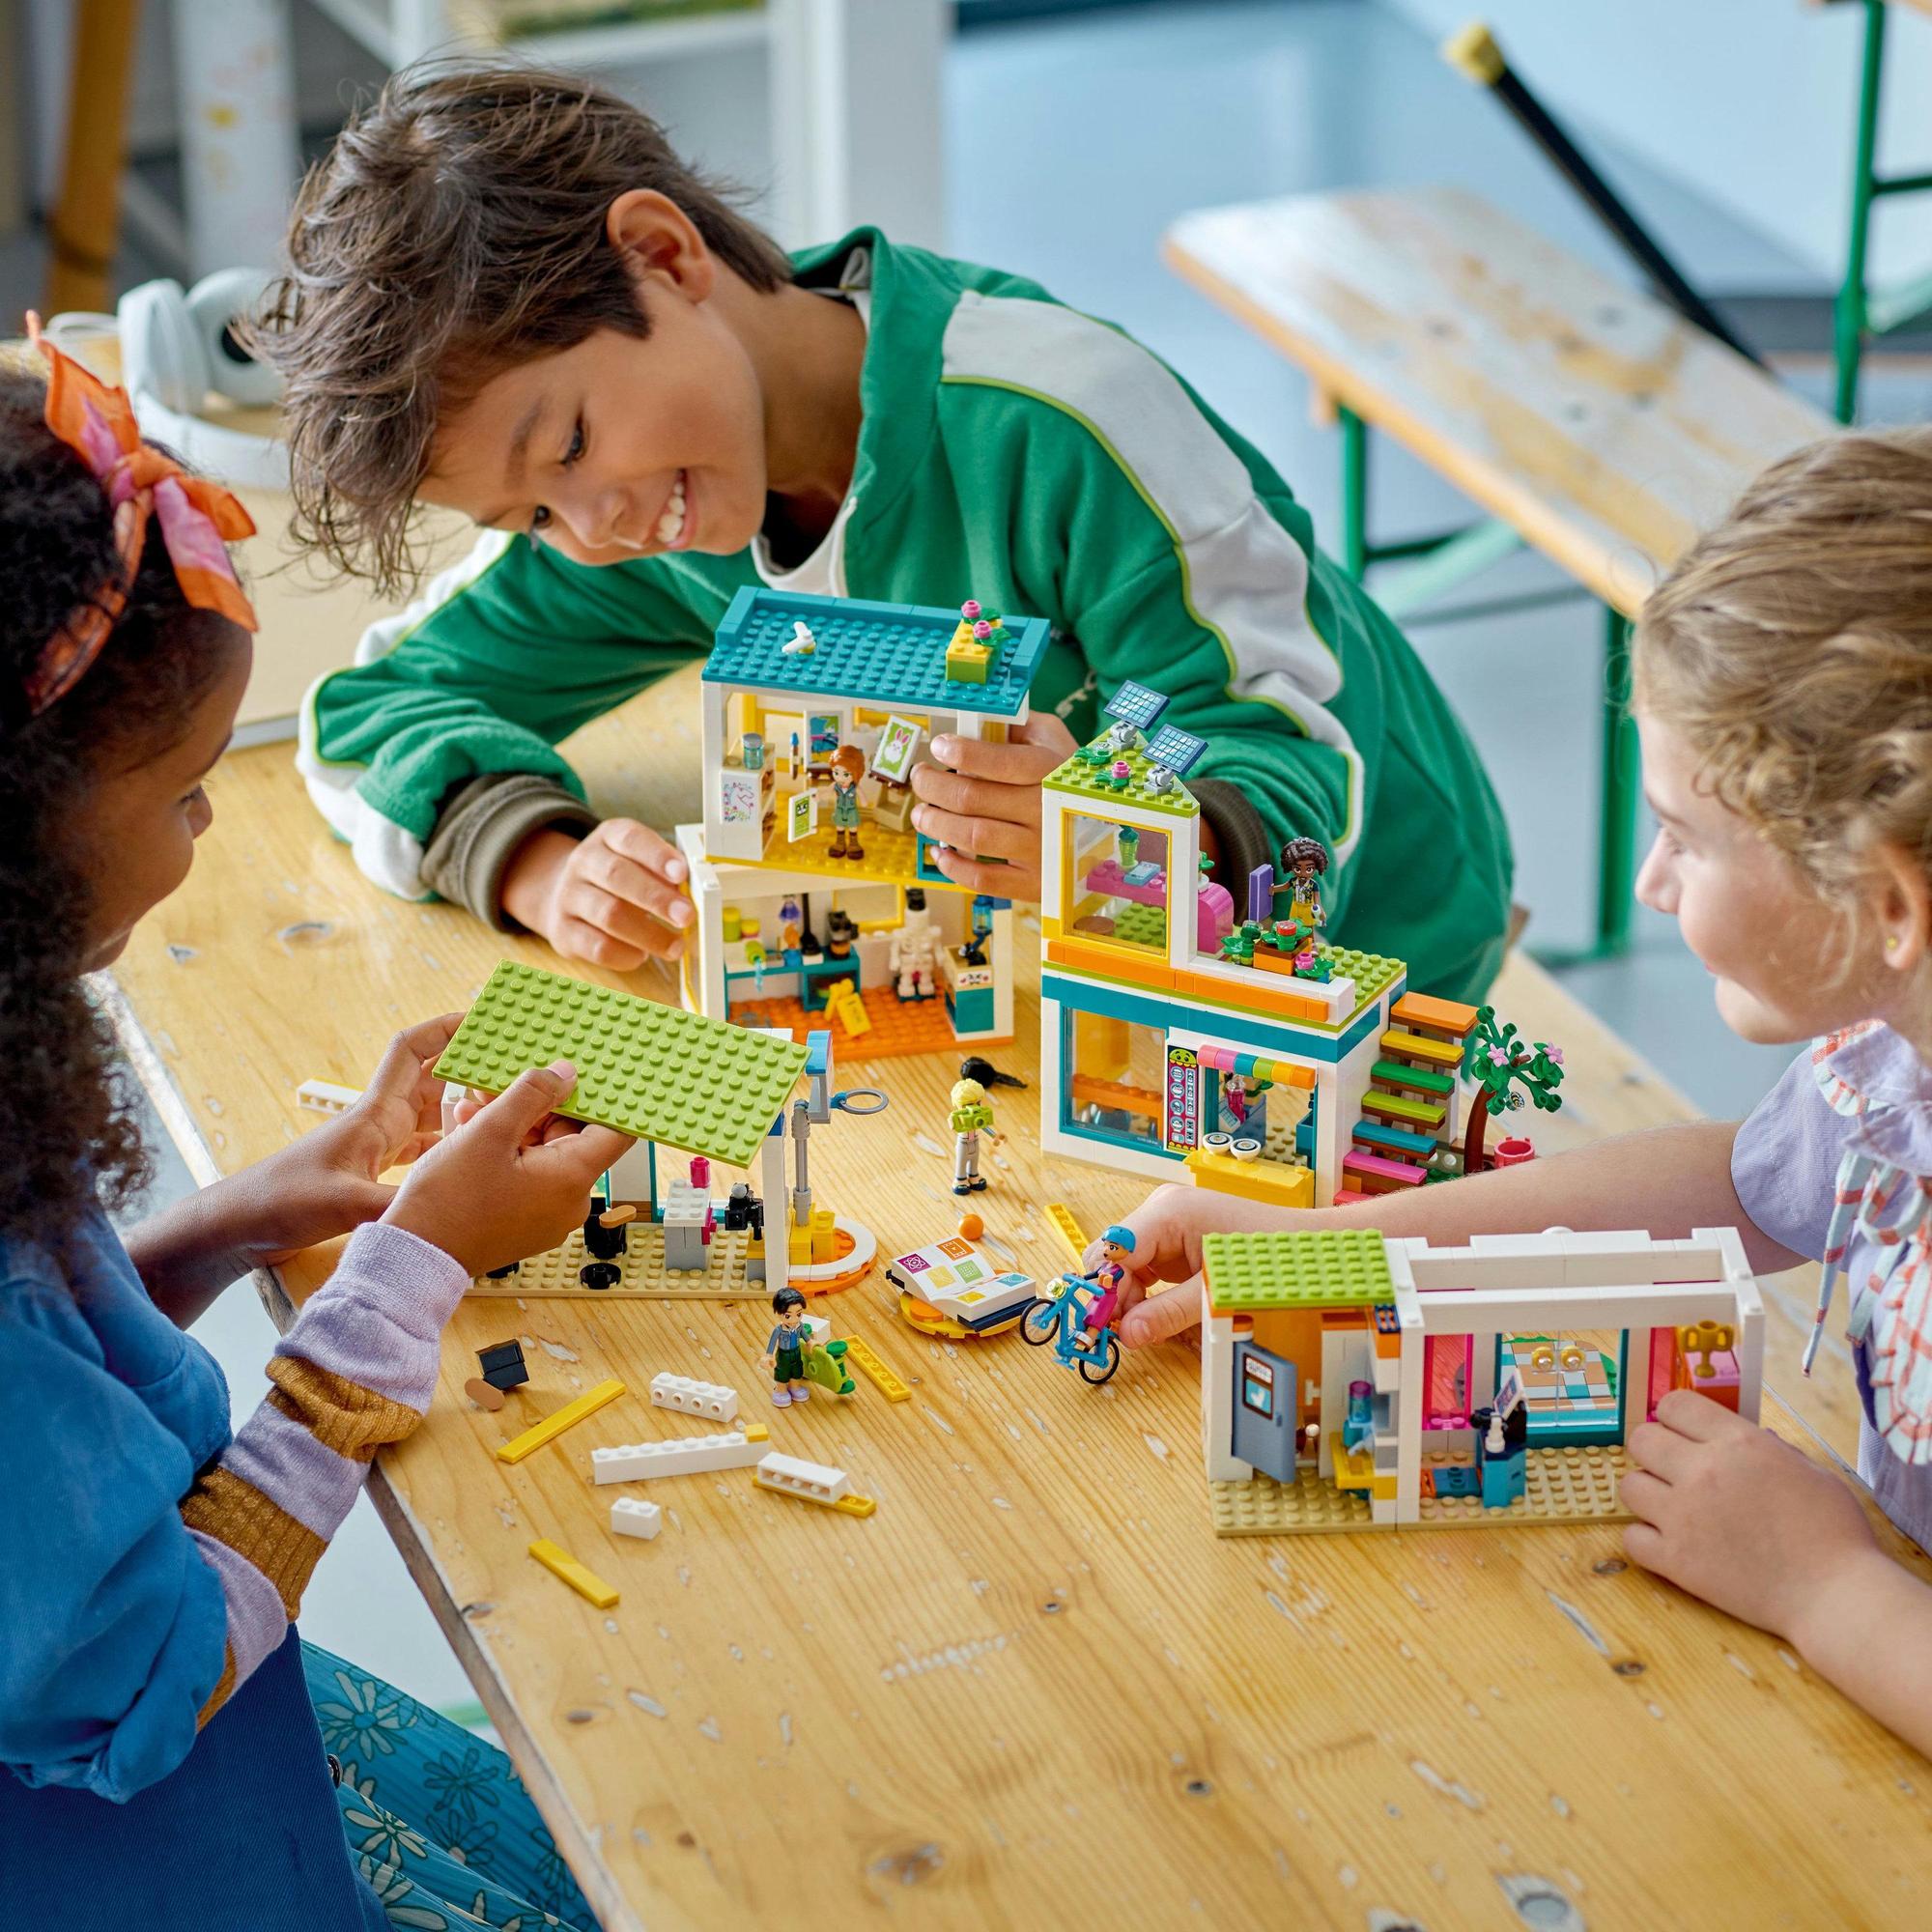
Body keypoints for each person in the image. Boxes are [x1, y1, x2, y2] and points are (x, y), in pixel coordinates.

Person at [259, 63, 1511, 1003]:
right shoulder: (656, 521)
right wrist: (532, 859)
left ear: (661, 255)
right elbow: (368, 713)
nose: (592, 529)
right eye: (531, 513)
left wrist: (1113, 839)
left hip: (1368, 963)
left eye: (572, 445)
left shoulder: (1061, 423)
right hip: (1025, 988)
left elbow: (1279, 749)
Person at [1106, 429, 1932, 1759]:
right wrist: (1318, 1248)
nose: (1649, 884)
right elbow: (1730, 1189)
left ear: (1886, 900)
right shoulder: (1886, 1063)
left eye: (1684, 838)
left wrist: (1827, 1588)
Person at [0, 332, 628, 1927]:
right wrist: (408, 1274)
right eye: (186, 789)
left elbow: (44, 1365)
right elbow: (144, 1681)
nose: (210, 822)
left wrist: (240, 1217)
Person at [761, 1285, 815, 1407]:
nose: (794, 1319)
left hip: (796, 1352)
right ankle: (781, 1390)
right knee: (782, 1372)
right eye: (788, 1316)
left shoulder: (799, 1326)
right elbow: (772, 1343)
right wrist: (768, 1355)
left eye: (799, 1314)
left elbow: (805, 1336)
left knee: (797, 1370)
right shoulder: (779, 1330)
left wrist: (810, 1342)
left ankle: (794, 1387)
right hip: (783, 1355)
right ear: (777, 1313)